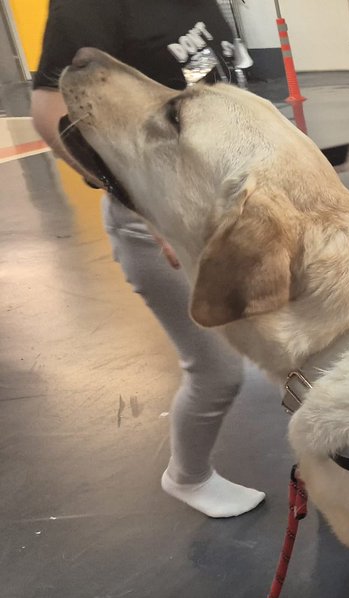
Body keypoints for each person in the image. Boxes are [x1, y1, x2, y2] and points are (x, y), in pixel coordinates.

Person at [30, 0, 265, 517]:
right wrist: (146, 205)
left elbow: (211, 85)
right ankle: (189, 476)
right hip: (162, 220)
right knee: (218, 372)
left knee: (291, 340)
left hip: (232, 205)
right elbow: (48, 105)